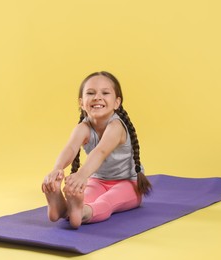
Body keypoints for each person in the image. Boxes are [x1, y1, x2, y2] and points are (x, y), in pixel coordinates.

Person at [41, 71, 151, 229]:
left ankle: (82, 213)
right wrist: (57, 169)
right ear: (81, 102)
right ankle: (61, 207)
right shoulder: (83, 127)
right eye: (90, 93)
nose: (97, 97)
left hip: (128, 183)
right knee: (84, 196)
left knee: (107, 201)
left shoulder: (116, 127)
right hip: (98, 181)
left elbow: (101, 151)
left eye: (105, 93)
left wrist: (81, 175)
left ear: (116, 103)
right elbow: (70, 149)